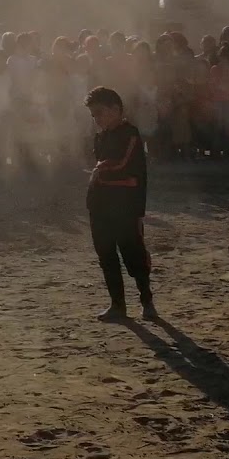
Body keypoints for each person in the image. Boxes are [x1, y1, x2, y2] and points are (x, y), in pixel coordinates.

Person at [85, 86, 154, 321]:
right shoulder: (100, 137)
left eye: (100, 113)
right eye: (94, 115)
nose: (97, 119)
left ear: (116, 109)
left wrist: (99, 170)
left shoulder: (130, 134)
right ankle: (118, 305)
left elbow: (121, 164)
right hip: (101, 205)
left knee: (133, 253)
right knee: (106, 255)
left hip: (125, 206)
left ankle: (146, 300)